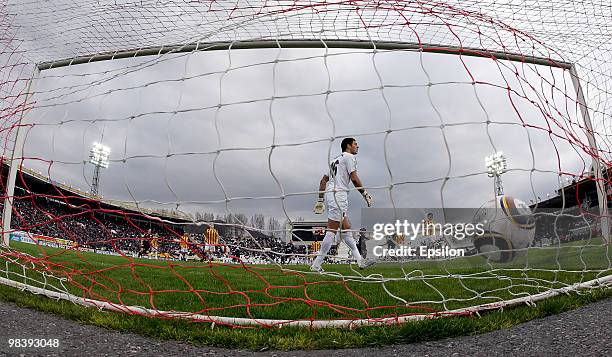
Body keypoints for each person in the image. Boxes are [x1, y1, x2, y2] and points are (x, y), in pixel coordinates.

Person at [311, 137, 374, 272]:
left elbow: (323, 180)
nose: (358, 146)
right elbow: (355, 179)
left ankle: (360, 261)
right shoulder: (349, 158)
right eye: (355, 144)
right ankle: (316, 264)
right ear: (348, 146)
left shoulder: (334, 160)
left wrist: (321, 200)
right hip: (338, 196)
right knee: (331, 231)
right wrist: (365, 194)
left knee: (346, 228)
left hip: (331, 196)